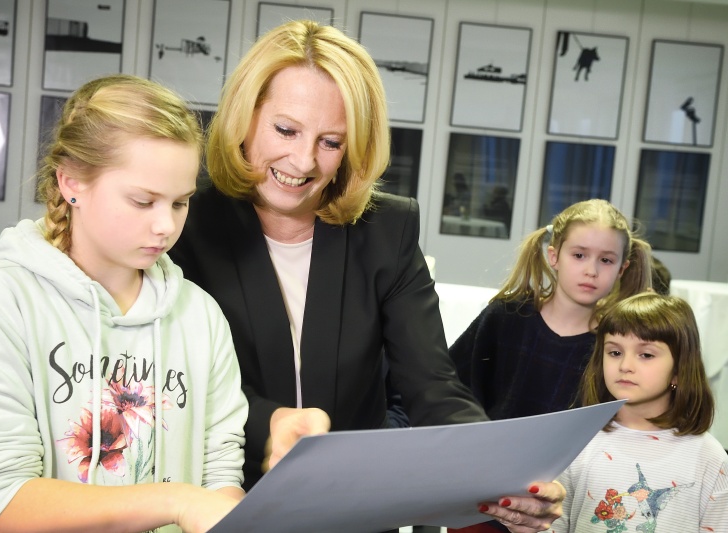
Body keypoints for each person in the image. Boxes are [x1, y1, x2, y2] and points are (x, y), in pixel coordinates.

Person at [169, 19, 564, 531]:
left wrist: (505, 476)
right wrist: (272, 424)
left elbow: (433, 387)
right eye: (285, 130)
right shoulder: (182, 222)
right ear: (245, 117)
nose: (303, 160)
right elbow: (179, 385)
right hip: (223, 503)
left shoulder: (387, 229)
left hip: (351, 513)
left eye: (330, 142)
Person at [0, 74, 248, 533]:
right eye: (143, 201)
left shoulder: (201, 316)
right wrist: (175, 501)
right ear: (72, 182)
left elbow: (219, 477)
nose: (166, 226)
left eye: (180, 203)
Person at [448, 199, 652, 533]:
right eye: (579, 255)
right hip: (479, 502)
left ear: (622, 269)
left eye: (606, 260)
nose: (591, 270)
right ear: (553, 256)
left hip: (563, 511)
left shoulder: (613, 349)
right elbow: (451, 389)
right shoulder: (505, 317)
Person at [545, 292, 728, 532]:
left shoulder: (710, 458)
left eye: (646, 355)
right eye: (615, 352)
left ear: (678, 370)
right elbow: (550, 526)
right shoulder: (577, 442)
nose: (625, 366)